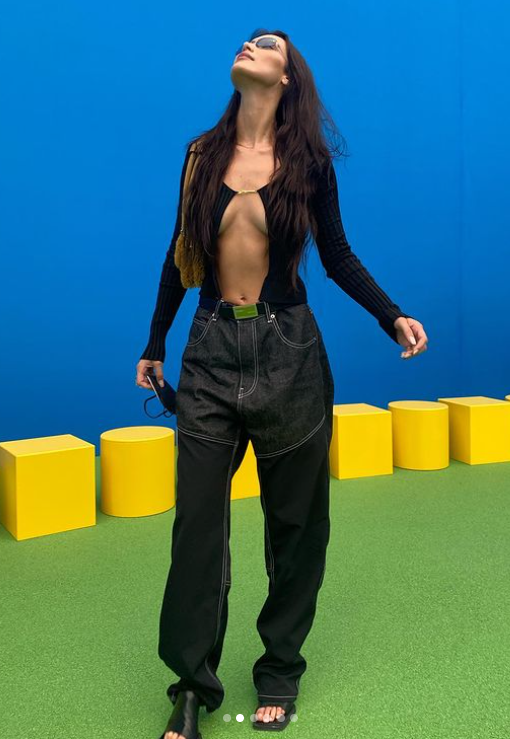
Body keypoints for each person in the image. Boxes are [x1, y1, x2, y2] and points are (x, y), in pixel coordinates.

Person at [136, 28, 428, 739]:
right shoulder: (201, 156)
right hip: (209, 350)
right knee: (197, 527)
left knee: (296, 526)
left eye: (265, 44)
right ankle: (191, 685)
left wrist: (391, 314)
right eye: (247, 41)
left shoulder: (308, 164)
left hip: (288, 352)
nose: (249, 45)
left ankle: (280, 670)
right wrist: (155, 342)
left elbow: (337, 255)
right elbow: (180, 254)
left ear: (287, 75)